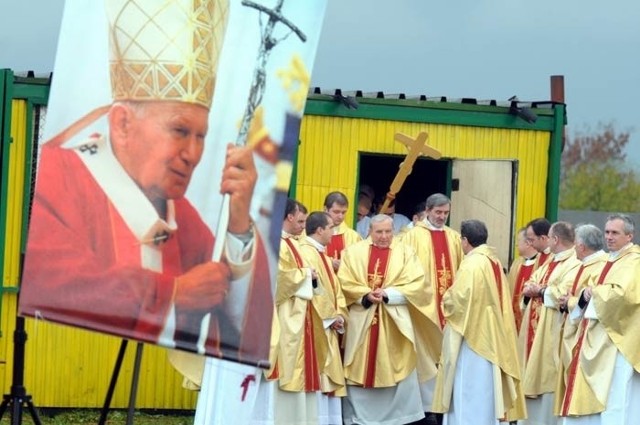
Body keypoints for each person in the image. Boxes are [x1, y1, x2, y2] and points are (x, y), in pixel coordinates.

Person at [19, 0, 271, 364]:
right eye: (179, 130)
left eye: (201, 136)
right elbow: (55, 284)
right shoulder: (62, 178)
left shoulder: (178, 213)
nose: (193, 154)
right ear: (122, 124)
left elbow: (242, 320)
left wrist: (239, 222)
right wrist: (173, 293)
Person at [338, 214, 441, 425]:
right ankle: (359, 416)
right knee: (359, 364)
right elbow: (344, 282)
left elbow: (418, 285)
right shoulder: (353, 253)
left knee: (399, 362)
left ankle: (401, 415)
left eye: (388, 232)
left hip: (395, 320)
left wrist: (388, 294)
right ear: (370, 231)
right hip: (363, 320)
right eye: (379, 232)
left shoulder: (405, 253)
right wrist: (364, 294)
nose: (384, 237)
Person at [432, 219, 526, 424]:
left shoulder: (472, 264)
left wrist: (445, 299)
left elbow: (458, 301)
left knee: (468, 390)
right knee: (485, 391)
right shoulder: (492, 260)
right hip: (490, 335)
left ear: (465, 240)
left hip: (472, 339)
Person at [555, 214, 640, 424]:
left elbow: (622, 296)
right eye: (607, 232)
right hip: (598, 335)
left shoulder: (633, 261)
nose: (609, 237)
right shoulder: (611, 260)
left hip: (618, 341)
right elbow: (590, 291)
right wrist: (581, 298)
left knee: (615, 396)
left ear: (629, 236)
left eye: (615, 233)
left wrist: (592, 293)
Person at [400, 193, 462, 424]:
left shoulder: (454, 237)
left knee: (448, 354)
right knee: (424, 356)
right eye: (438, 213)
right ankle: (425, 409)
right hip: (424, 308)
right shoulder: (412, 236)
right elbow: (404, 269)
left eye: (445, 213)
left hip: (447, 308)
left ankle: (446, 405)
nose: (442, 217)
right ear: (427, 210)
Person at [274, 199, 333, 424]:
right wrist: (307, 275)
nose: (303, 225)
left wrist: (309, 275)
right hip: (286, 316)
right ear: (289, 217)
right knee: (290, 366)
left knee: (305, 367)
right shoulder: (276, 242)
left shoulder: (295, 243)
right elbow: (277, 279)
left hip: (302, 314)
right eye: (300, 220)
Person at [519, 221, 581, 425]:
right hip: (534, 328)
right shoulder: (551, 260)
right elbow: (533, 280)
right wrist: (531, 288)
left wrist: (540, 291)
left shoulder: (574, 263)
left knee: (546, 375)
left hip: (551, 330)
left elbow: (565, 293)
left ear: (555, 239)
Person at [299, 211, 349, 424]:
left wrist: (340, 315)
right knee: (318, 375)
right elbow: (314, 290)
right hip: (314, 325)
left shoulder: (323, 255)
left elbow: (336, 290)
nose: (334, 232)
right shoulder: (306, 253)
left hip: (328, 323)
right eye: (331, 227)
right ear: (319, 230)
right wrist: (331, 317)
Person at [554, 223, 607, 417]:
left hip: (586, 335)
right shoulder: (585, 264)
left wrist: (570, 302)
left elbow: (595, 299)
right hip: (573, 329)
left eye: (575, 243)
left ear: (582, 246)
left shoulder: (601, 266)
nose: (574, 247)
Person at [507, 227, 540, 331]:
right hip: (513, 318)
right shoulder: (516, 263)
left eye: (518, 241)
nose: (516, 245)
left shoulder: (541, 264)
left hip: (531, 320)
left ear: (528, 243)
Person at [324, 191, 362, 271]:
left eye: (343, 212)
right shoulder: (313, 232)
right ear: (325, 209)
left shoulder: (353, 236)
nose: (340, 216)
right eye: (336, 212)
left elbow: (360, 262)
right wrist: (329, 262)